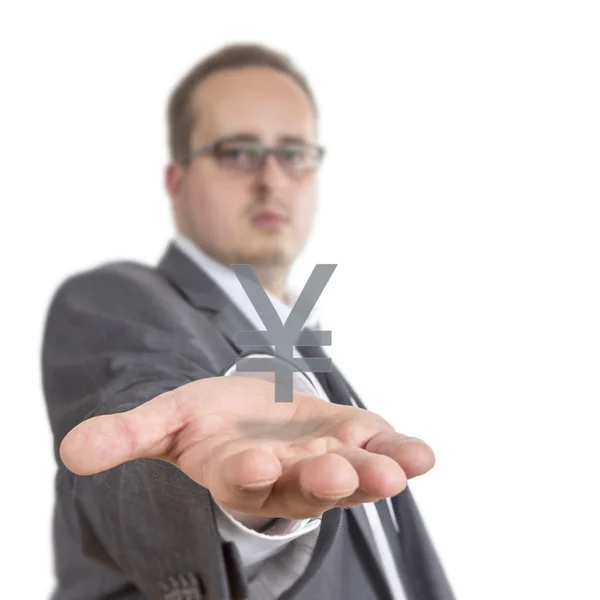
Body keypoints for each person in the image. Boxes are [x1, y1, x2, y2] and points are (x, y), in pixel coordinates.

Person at [42, 43, 455, 600]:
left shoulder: (308, 353)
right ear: (177, 180)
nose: (271, 178)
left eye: (293, 153)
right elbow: (138, 421)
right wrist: (227, 495)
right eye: (237, 152)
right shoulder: (115, 298)